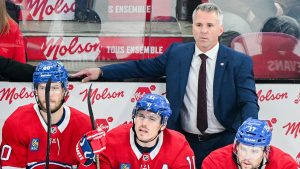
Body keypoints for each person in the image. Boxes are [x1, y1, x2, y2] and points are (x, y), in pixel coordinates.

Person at [71, 2, 259, 167]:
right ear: (192, 28)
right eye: (199, 25)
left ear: (220, 29)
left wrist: (249, 137)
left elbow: (249, 102)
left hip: (224, 140)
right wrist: (102, 72)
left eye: (210, 25)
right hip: (183, 140)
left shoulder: (238, 62)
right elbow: (141, 67)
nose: (204, 30)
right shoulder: (177, 54)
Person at [0, 60, 95, 168]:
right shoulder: (16, 122)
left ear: (64, 90)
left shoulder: (85, 125)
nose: (48, 94)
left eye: (54, 88)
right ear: (35, 91)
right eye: (42, 88)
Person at [76, 93, 196, 168]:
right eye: (141, 116)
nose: (144, 123)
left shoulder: (179, 146)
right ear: (134, 117)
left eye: (152, 118)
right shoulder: (112, 140)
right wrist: (88, 163)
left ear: (163, 125)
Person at [202, 118, 298, 169]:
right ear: (236, 148)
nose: (247, 157)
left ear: (266, 152)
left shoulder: (285, 165)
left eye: (254, 151)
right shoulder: (215, 162)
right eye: (243, 149)